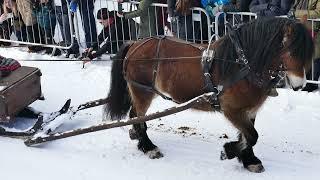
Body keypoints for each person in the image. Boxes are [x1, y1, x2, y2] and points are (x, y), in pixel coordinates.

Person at [294, 0, 320, 91]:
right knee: (305, 56)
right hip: (303, 30)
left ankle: (312, 83)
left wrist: (296, 13)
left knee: (315, 56)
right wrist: (292, 12)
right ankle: (306, 81)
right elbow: (293, 8)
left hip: (316, 30)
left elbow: (318, 13)